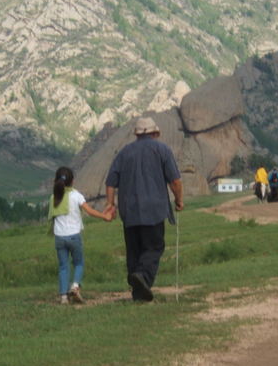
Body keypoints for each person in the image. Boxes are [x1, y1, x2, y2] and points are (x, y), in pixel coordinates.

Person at [105, 116, 183, 302]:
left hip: (129, 211)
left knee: (134, 251)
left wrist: (110, 204)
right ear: (155, 133)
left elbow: (110, 182)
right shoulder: (162, 149)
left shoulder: (124, 152)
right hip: (153, 210)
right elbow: (175, 181)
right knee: (154, 247)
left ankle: (137, 293)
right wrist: (179, 200)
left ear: (137, 135)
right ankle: (143, 277)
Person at [47, 166, 113, 305]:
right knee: (78, 263)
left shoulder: (54, 197)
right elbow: (89, 211)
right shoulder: (76, 195)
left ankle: (63, 297)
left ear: (56, 181)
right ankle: (75, 286)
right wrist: (104, 216)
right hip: (74, 236)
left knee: (63, 267)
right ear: (73, 181)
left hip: (59, 237)